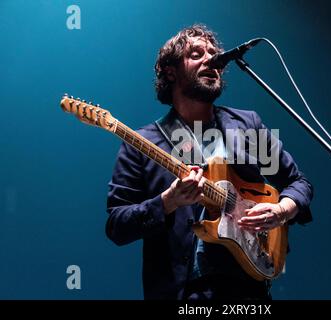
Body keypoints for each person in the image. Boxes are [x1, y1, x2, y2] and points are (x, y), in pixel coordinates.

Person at [106, 24, 313, 300]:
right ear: (171, 71)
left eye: (214, 53)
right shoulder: (143, 143)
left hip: (247, 293)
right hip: (184, 294)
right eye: (196, 53)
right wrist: (167, 201)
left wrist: (282, 211)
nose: (212, 60)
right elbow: (117, 225)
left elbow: (298, 182)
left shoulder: (246, 125)